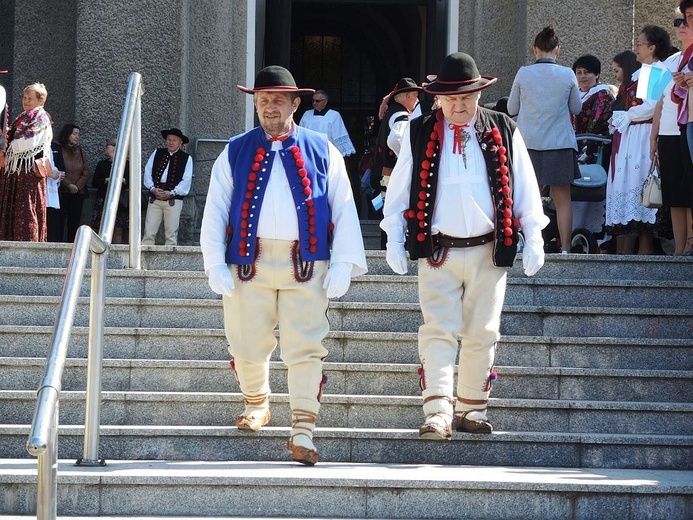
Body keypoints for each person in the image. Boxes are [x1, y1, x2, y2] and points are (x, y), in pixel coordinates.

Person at [199, 65, 367, 465]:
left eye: (277, 100)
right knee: (244, 341)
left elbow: (344, 206)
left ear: (296, 104)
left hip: (305, 264)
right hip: (248, 262)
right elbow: (216, 206)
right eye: (262, 101)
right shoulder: (236, 148)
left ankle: (303, 431)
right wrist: (212, 263)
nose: (269, 108)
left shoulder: (322, 148)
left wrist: (344, 261)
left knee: (305, 347)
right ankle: (257, 403)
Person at [381, 53, 548, 440]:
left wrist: (534, 234)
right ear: (438, 98)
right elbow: (402, 186)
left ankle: (472, 407)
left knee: (483, 331)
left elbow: (522, 182)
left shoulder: (503, 127)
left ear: (479, 94)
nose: (459, 105)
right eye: (451, 98)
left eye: (467, 97)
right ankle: (437, 411)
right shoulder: (420, 130)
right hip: (438, 251)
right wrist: (392, 234)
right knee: (437, 330)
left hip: (489, 250)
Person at [508, 26, 582, 254]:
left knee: (525, 197)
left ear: (534, 50)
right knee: (562, 199)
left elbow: (512, 108)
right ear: (557, 50)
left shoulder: (523, 73)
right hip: (559, 142)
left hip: (528, 142)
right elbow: (576, 108)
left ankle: (525, 244)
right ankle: (566, 248)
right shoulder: (568, 74)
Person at [607, 26, 671, 255]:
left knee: (640, 189)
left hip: (642, 135)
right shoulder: (641, 72)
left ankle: (642, 257)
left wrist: (626, 116)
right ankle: (628, 255)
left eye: (640, 43)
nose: (636, 47)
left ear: (652, 47)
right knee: (631, 188)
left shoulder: (653, 71)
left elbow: (652, 107)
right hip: (633, 136)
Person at [653, 8, 693, 255]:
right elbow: (653, 102)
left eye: (686, 20)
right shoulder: (666, 62)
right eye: (678, 21)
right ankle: (679, 249)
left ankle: (691, 242)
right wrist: (652, 136)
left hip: (686, 128)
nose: (682, 25)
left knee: (689, 190)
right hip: (668, 133)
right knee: (674, 195)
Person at [370, 78, 423, 249]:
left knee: (387, 211)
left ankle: (387, 247)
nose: (417, 100)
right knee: (395, 212)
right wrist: (405, 159)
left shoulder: (391, 112)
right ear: (408, 96)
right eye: (415, 96)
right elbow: (396, 139)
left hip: (385, 173)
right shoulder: (401, 115)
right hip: (392, 174)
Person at [0, 83, 55, 241]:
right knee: (13, 208)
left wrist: (5, 151)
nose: (26, 101)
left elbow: (29, 142)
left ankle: (29, 244)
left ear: (41, 100)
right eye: (24, 97)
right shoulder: (22, 117)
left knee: (27, 210)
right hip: (16, 171)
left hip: (29, 173)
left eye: (30, 98)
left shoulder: (41, 118)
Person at [142, 128, 193, 245]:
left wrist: (172, 192)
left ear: (180, 143)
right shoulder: (157, 153)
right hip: (155, 198)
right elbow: (147, 172)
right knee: (149, 232)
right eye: (169, 140)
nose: (171, 142)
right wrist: (152, 188)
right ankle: (143, 257)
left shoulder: (186, 158)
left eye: (174, 140)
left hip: (173, 200)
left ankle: (170, 260)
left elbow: (187, 179)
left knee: (171, 234)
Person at [672, 0, 693, 254]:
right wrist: (681, 82)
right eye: (688, 16)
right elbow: (673, 96)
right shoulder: (685, 54)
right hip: (686, 121)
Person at [572, 54, 615, 156]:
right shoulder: (575, 94)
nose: (582, 76)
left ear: (596, 75)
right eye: (579, 73)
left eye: (586, 72)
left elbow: (595, 124)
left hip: (593, 147)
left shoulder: (602, 94)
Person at [56, 123, 90, 242]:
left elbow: (86, 171)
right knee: (59, 221)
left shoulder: (80, 152)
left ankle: (73, 245)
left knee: (74, 222)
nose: (77, 137)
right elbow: (57, 169)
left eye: (78, 134)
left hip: (77, 193)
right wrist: (69, 184)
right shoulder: (59, 150)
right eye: (74, 134)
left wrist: (77, 186)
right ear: (67, 134)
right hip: (63, 191)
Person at [91, 138, 129, 243]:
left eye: (108, 145)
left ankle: (116, 254)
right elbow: (95, 182)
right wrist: (106, 180)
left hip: (119, 201)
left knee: (118, 228)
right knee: (101, 227)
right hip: (103, 199)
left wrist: (123, 180)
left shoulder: (126, 164)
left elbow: (132, 182)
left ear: (115, 148)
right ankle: (100, 251)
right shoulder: (102, 164)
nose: (105, 147)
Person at [299, 90, 356, 157]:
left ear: (325, 101)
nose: (314, 103)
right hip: (309, 151)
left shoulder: (334, 115)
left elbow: (338, 134)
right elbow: (300, 133)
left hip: (327, 152)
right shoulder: (307, 114)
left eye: (317, 101)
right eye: (313, 101)